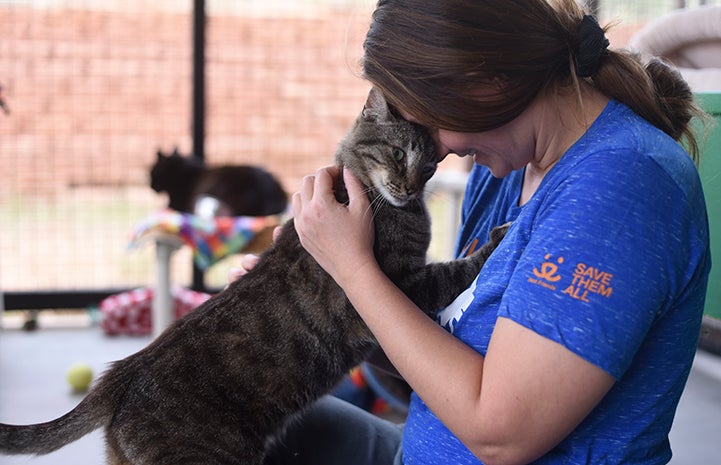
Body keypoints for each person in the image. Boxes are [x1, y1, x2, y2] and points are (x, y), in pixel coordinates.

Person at [254, 1, 712, 464]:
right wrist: (329, 304)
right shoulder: (506, 166)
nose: (440, 152)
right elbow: (442, 359)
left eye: (430, 121)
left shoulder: (621, 186)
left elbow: (500, 434)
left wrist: (352, 269)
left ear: (485, 82)